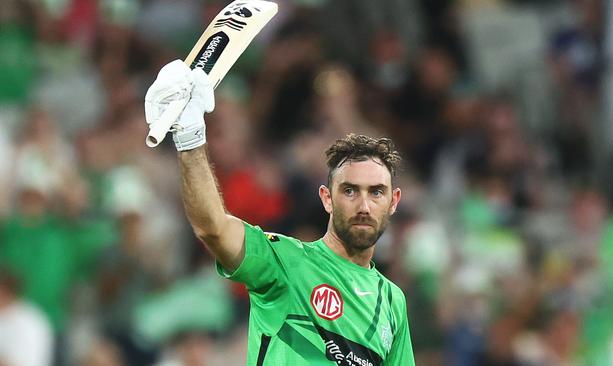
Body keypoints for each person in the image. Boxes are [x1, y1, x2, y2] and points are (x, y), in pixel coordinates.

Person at [144, 60, 415, 365]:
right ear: (327, 198)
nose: (364, 205)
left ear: (393, 202)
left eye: (376, 192)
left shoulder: (393, 302)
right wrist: (189, 136)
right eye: (350, 190)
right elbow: (213, 228)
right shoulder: (286, 261)